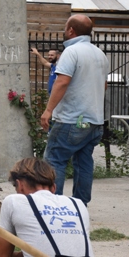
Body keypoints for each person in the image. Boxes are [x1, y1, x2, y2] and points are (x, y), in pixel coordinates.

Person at [40, 14, 108, 205]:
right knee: (84, 162)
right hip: (94, 121)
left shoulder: (71, 52)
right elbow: (104, 86)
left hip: (71, 120)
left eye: (65, 27)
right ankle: (80, 206)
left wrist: (48, 110)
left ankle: (54, 205)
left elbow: (62, 82)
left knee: (55, 159)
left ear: (71, 30)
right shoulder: (99, 54)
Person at [0, 157, 92, 257]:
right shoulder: (78, 204)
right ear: (54, 188)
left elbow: (2, 255)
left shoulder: (13, 201)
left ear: (20, 185)